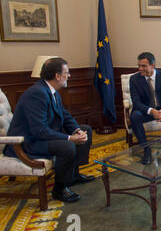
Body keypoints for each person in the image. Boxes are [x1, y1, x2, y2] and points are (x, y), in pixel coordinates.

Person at [4, 58, 94, 203]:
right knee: (67, 146)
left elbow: (65, 115)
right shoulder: (37, 94)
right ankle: (59, 189)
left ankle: (72, 175)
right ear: (57, 76)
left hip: (41, 136)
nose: (69, 75)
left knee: (86, 130)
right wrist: (70, 138)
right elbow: (39, 130)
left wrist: (77, 130)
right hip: (27, 143)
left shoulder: (51, 90)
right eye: (67, 72)